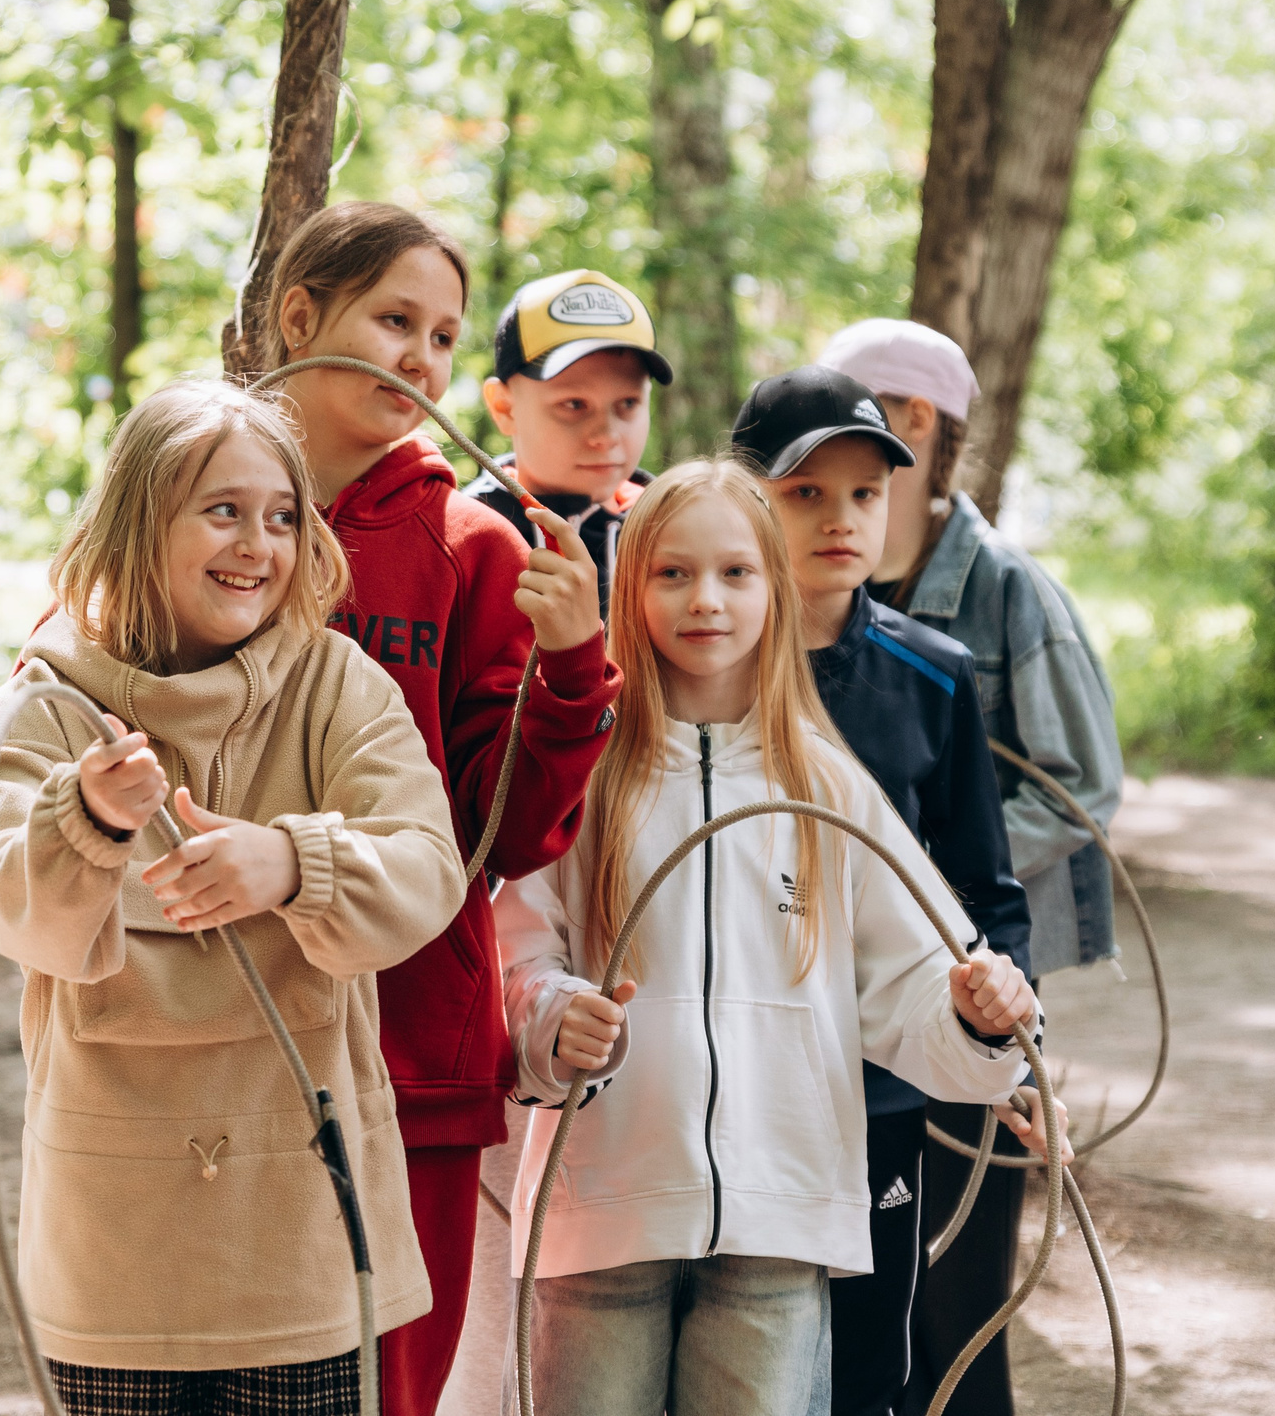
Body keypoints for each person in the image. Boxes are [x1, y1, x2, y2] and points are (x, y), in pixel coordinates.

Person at [495, 457, 1048, 1416]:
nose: (705, 599)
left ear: (774, 590)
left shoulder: (827, 786)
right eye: (672, 573)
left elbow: (918, 985)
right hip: (602, 1216)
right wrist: (553, 1017)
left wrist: (981, 1016)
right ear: (630, 589)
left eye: (736, 572)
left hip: (781, 1223)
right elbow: (515, 953)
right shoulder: (581, 766)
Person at [0, 379, 466, 1416]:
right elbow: (12, 910)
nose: (258, 543)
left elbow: (427, 868)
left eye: (282, 515)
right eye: (221, 509)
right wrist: (89, 820)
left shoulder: (339, 684)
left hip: (300, 1232)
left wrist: (292, 864)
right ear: (139, 519)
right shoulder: (46, 698)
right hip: (114, 1244)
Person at [263, 202, 621, 1416]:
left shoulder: (474, 543)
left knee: (390, 1388)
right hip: (224, 1037)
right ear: (299, 318)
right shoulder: (198, 517)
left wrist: (571, 667)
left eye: (444, 336)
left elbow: (509, 831)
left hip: (412, 1046)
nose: (421, 357)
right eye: (394, 319)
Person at [816, 318, 1125, 1416]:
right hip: (826, 1009)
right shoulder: (781, 600)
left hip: (969, 989)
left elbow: (1078, 783)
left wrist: (916, 894)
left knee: (957, 1301)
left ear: (905, 423)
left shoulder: (1002, 593)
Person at [730, 367, 1032, 1416]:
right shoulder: (698, 672)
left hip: (883, 1088)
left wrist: (1013, 1034)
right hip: (735, 1084)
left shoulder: (936, 675)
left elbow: (986, 895)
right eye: (805, 492)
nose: (840, 517)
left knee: (873, 1359)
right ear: (748, 498)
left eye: (864, 492)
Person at [465, 269, 670, 616]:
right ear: (503, 406)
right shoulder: (464, 536)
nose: (606, 436)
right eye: (574, 405)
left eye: (628, 404)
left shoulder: (670, 530)